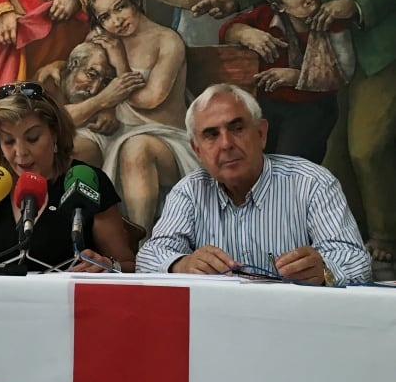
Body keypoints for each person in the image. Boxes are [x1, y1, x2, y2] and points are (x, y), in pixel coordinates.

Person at [191, 0, 396, 270]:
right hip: (326, 59)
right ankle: (348, 241)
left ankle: (385, 236)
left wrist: (355, 1)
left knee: (367, 147)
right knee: (333, 158)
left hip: (374, 53)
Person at [136, 83, 371, 285]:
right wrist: (182, 264)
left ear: (261, 134)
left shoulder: (312, 182)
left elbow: (356, 262)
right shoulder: (189, 191)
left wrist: (324, 271)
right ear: (197, 150)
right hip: (219, 323)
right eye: (211, 135)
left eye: (237, 129)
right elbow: (148, 257)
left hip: (298, 322)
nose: (226, 144)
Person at [0, 81, 136, 273]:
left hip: (65, 306)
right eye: (8, 141)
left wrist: (108, 265)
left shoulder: (87, 180)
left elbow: (128, 265)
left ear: (55, 133)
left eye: (32, 138)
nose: (20, 152)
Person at [77, 0, 199, 237]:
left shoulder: (167, 40)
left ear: (135, 1)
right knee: (72, 146)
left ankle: (140, 241)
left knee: (136, 148)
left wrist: (120, 60)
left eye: (120, 7)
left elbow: (150, 99)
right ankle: (77, 236)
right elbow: (82, 88)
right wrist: (105, 108)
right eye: (105, 17)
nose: (116, 21)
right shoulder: (104, 41)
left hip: (164, 137)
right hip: (116, 132)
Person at [220, 0, 355, 163]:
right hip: (267, 105)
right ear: (279, 7)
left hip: (312, 106)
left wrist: (295, 77)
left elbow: (344, 72)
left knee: (289, 160)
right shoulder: (266, 17)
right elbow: (226, 32)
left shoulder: (332, 21)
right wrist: (244, 32)